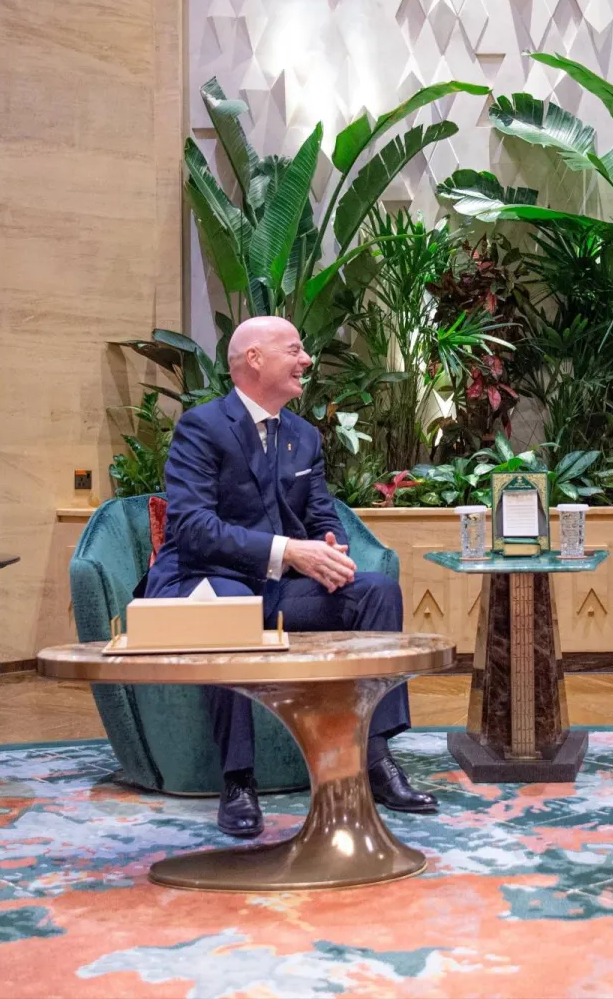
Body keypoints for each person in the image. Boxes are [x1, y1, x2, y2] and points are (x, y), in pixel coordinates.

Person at [145, 316, 436, 837]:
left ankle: (374, 756)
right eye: (295, 349)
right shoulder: (202, 427)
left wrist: (328, 549)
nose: (307, 360)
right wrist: (289, 551)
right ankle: (237, 779)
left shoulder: (303, 436)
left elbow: (321, 513)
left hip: (276, 589)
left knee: (375, 591)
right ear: (254, 359)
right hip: (205, 579)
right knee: (230, 608)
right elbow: (191, 528)